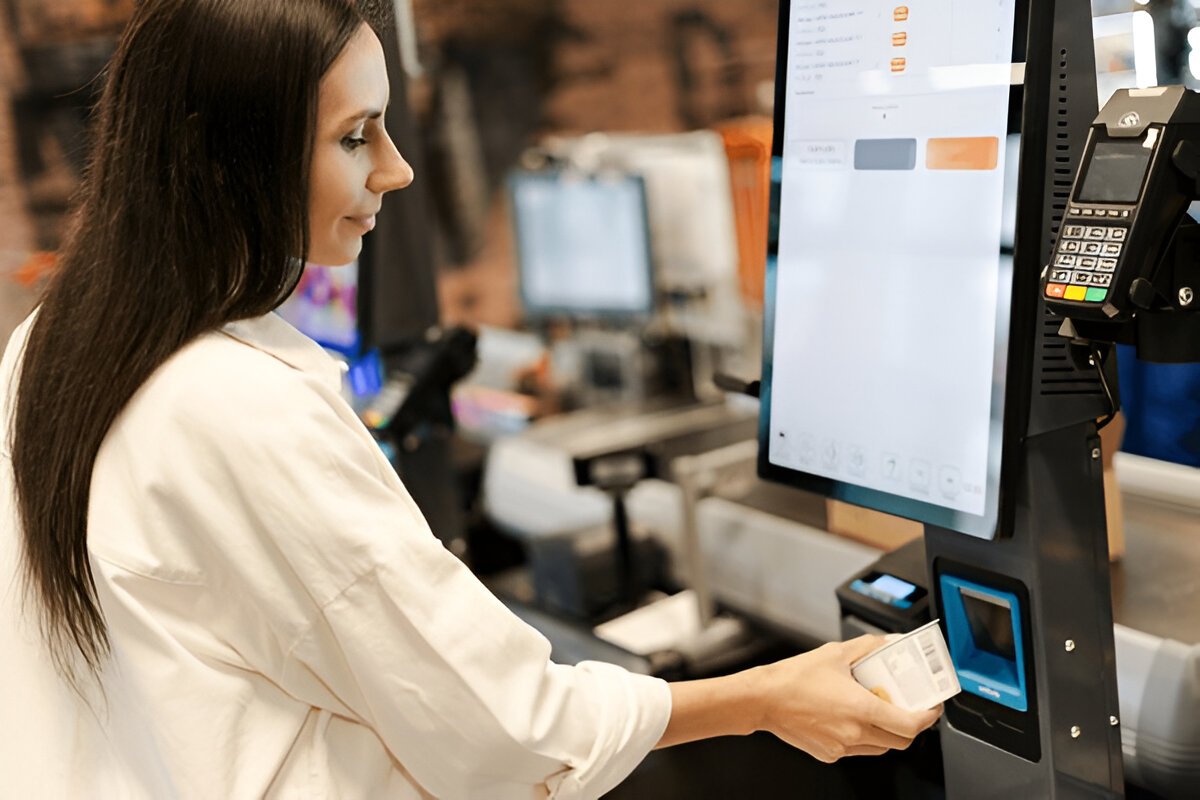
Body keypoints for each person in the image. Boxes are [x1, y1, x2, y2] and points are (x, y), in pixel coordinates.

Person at [0, 1, 941, 797]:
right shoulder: (239, 408)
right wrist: (771, 697)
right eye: (355, 136)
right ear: (229, 155)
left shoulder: (51, 347)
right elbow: (510, 731)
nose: (396, 169)